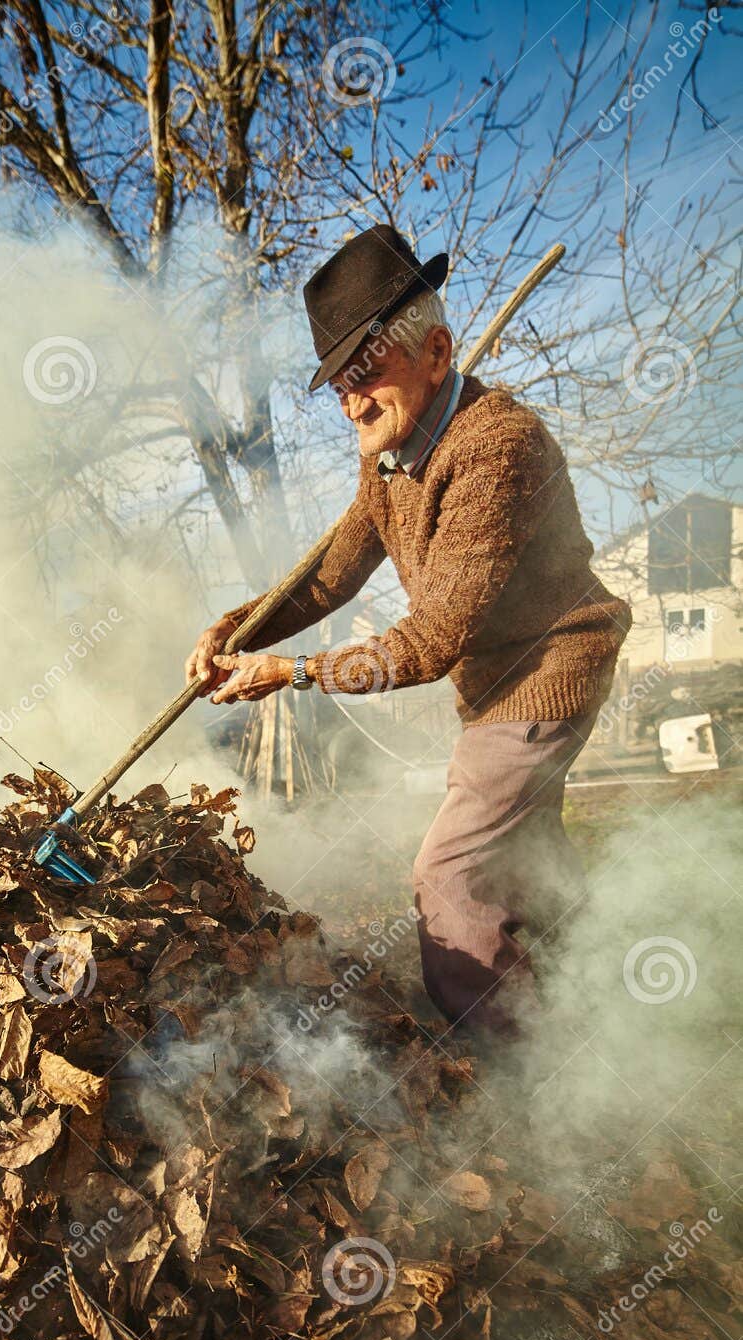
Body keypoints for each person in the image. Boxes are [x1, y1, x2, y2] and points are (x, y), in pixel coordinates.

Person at [185, 226, 632, 1035]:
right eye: (337, 386)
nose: (351, 402)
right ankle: (592, 1003)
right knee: (528, 862)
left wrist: (289, 674)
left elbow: (429, 643)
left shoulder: (497, 446)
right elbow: (329, 574)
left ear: (435, 351)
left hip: (544, 673)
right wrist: (233, 630)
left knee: (448, 874)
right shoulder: (389, 457)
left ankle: (514, 1066)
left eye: (368, 374)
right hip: (494, 682)